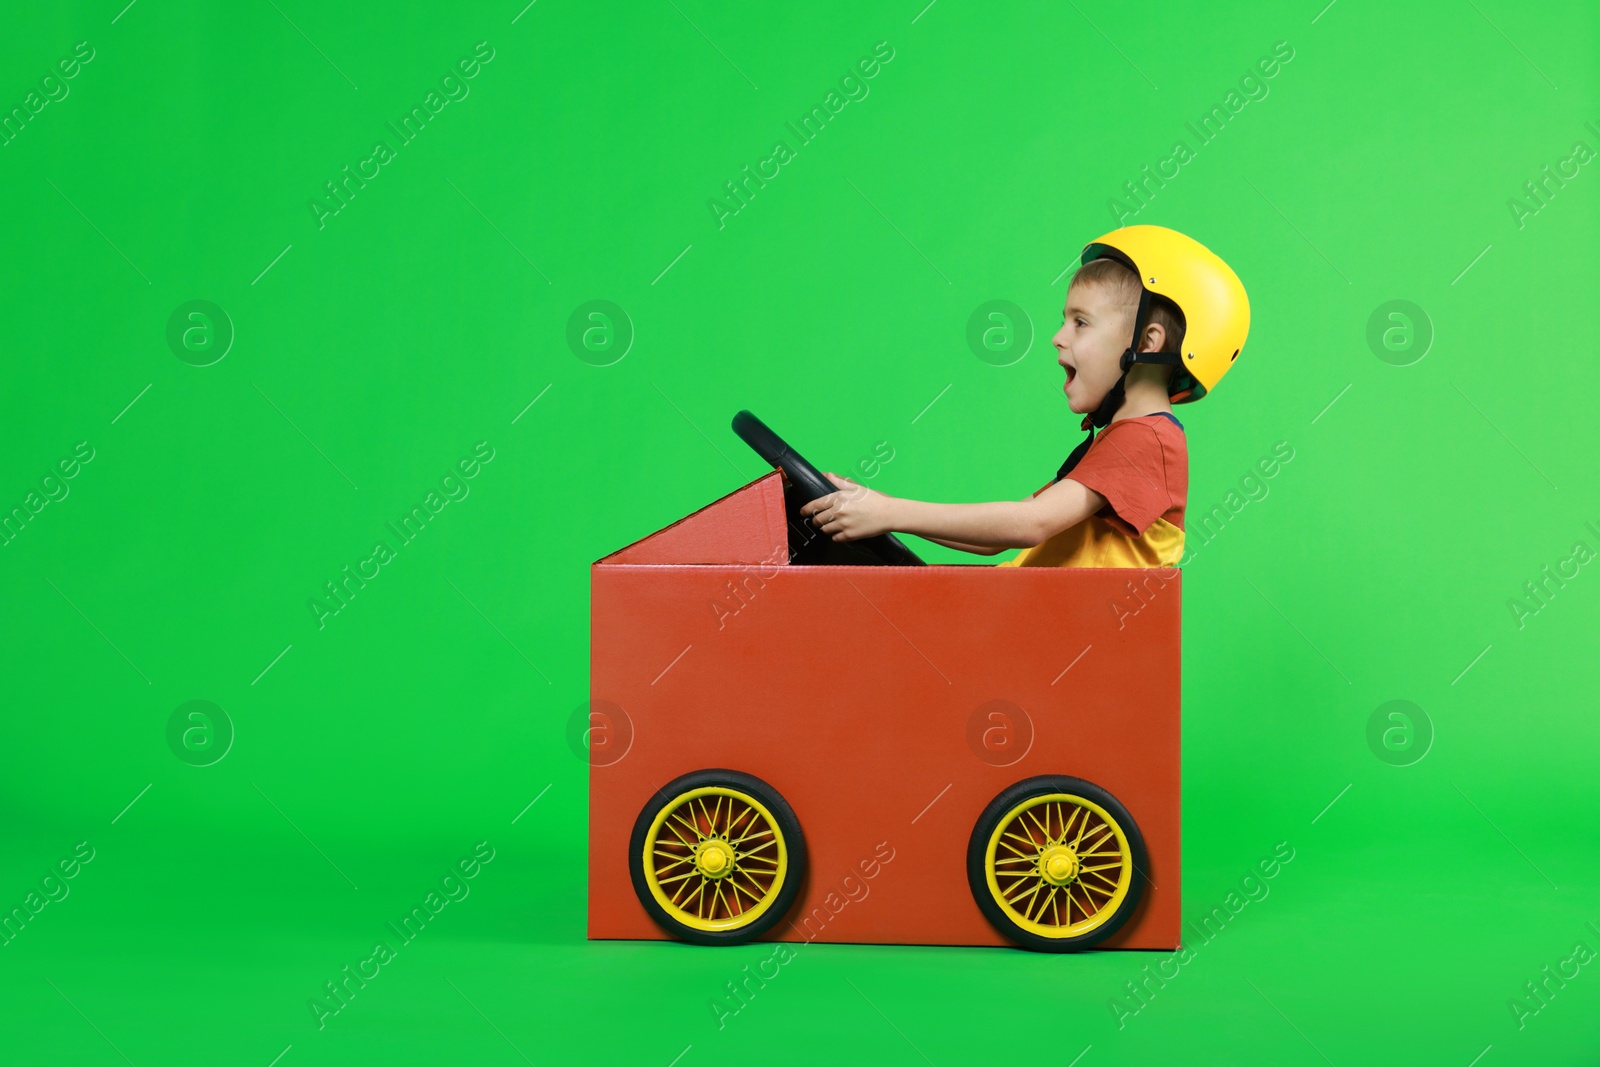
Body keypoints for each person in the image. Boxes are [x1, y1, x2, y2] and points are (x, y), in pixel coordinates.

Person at [799, 225, 1249, 567]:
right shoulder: (1120, 443)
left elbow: (1031, 525)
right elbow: (1000, 534)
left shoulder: (1147, 442)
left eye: (1080, 322)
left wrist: (888, 512)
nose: (1056, 337)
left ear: (1147, 344)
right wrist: (874, 504)